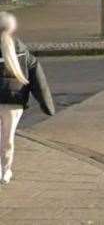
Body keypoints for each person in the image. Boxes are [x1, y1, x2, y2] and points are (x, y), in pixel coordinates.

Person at [0, 12, 54, 183]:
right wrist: (47, 105)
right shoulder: (22, 49)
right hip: (14, 101)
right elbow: (38, 78)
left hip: (11, 101)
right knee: (7, 139)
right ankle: (6, 171)